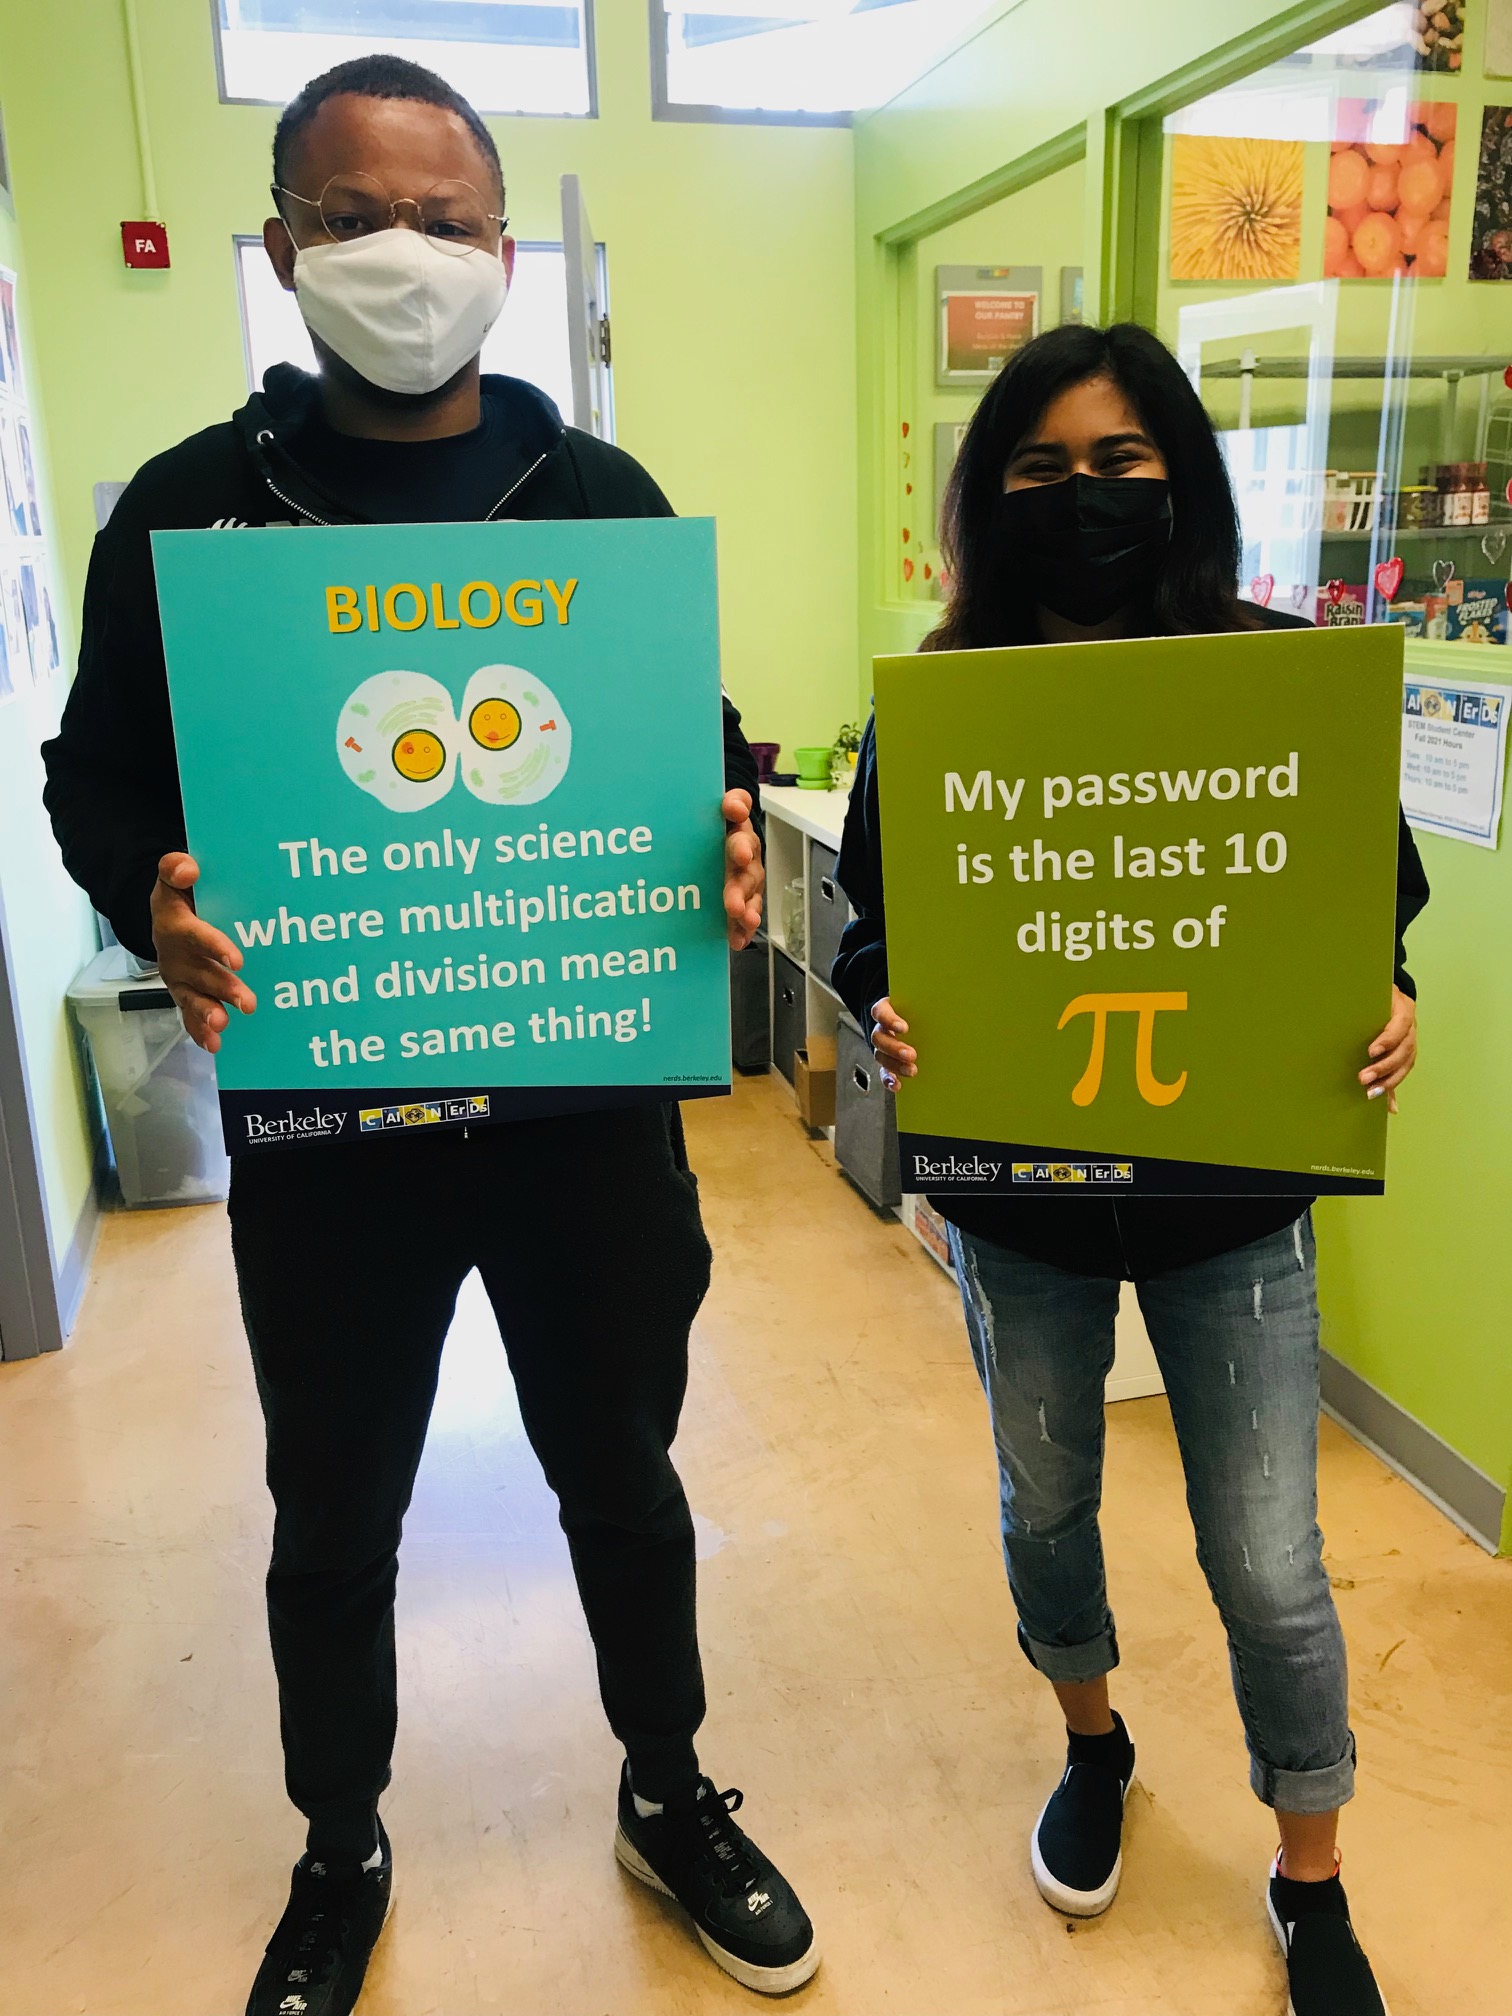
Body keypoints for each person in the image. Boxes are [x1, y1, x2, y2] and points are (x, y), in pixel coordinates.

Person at [43, 55, 818, 2015]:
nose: (406, 254)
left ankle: (670, 1787)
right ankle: (339, 1842)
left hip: (580, 1121)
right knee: (339, 1517)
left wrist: (722, 853)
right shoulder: (194, 513)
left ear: (501, 241)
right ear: (285, 240)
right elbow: (92, 779)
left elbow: (690, 767)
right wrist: (150, 889)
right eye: (355, 217)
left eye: (447, 220)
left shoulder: (599, 500)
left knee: (622, 1481)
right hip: (329, 1136)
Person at [833, 322, 1427, 2016]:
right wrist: (887, 1007)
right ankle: (1094, 1746)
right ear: (986, 496)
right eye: (1038, 471)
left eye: (1118, 464)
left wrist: (1389, 1004)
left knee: (1268, 1561)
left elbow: (1364, 908)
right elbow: (883, 929)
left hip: (1231, 1200)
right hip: (1021, 1201)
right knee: (1050, 1504)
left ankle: (1311, 1875)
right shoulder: (943, 701)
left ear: (1182, 479)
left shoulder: (1277, 673)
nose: (1080, 498)